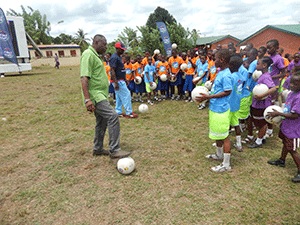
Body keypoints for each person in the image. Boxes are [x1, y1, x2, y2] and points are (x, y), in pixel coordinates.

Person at [80, 34, 130, 158]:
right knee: (113, 117)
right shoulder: (88, 54)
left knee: (102, 122)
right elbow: (84, 77)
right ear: (96, 42)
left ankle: (97, 148)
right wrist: (87, 99)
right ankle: (114, 149)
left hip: (101, 94)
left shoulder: (96, 56)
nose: (106, 47)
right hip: (96, 96)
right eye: (104, 44)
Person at [195, 49, 233, 172]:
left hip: (221, 110)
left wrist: (209, 97)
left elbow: (228, 91)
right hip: (215, 107)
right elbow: (217, 89)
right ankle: (219, 154)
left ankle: (226, 164)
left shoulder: (227, 74)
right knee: (217, 133)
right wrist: (206, 96)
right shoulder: (220, 72)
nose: (213, 61)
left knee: (224, 136)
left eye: (215, 59)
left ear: (222, 60)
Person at [267, 71, 300, 183]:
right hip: (286, 126)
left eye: (295, 84)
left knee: (292, 150)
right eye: (291, 83)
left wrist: (278, 114)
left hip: (293, 130)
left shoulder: (299, 97)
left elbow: (295, 114)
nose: (291, 85)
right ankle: (282, 160)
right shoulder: (291, 93)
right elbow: (287, 107)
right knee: (285, 144)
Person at [247, 56, 276, 148]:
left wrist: (261, 96)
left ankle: (259, 141)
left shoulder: (266, 76)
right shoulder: (262, 75)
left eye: (258, 63)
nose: (256, 65)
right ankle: (261, 137)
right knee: (258, 122)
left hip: (262, 104)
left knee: (262, 123)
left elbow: (273, 88)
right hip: (257, 104)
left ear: (264, 65)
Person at [110, 42, 138, 118]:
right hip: (118, 80)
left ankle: (118, 111)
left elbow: (121, 70)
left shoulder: (119, 57)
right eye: (122, 49)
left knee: (119, 96)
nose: (123, 51)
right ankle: (129, 112)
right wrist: (115, 82)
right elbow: (112, 70)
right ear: (117, 49)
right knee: (127, 95)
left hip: (121, 79)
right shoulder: (114, 57)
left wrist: (125, 79)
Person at [228, 55, 245, 152]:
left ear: (231, 65)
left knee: (226, 124)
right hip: (236, 103)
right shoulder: (240, 76)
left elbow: (228, 90)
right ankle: (239, 144)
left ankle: (222, 142)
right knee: (236, 123)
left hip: (230, 103)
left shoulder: (231, 77)